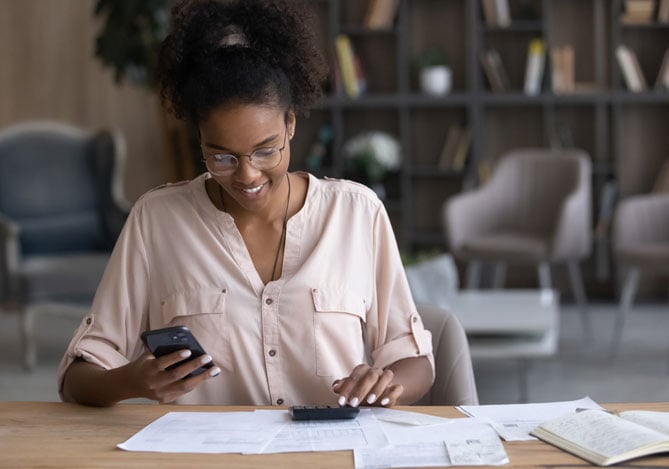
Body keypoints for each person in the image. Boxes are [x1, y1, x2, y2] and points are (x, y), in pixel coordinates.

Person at [59, 0, 434, 408]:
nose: (247, 175)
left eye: (265, 151)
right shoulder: (157, 221)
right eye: (222, 157)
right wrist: (131, 381)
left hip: (328, 452)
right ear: (199, 140)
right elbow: (78, 377)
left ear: (290, 124)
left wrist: (383, 384)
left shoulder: (357, 214)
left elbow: (413, 360)